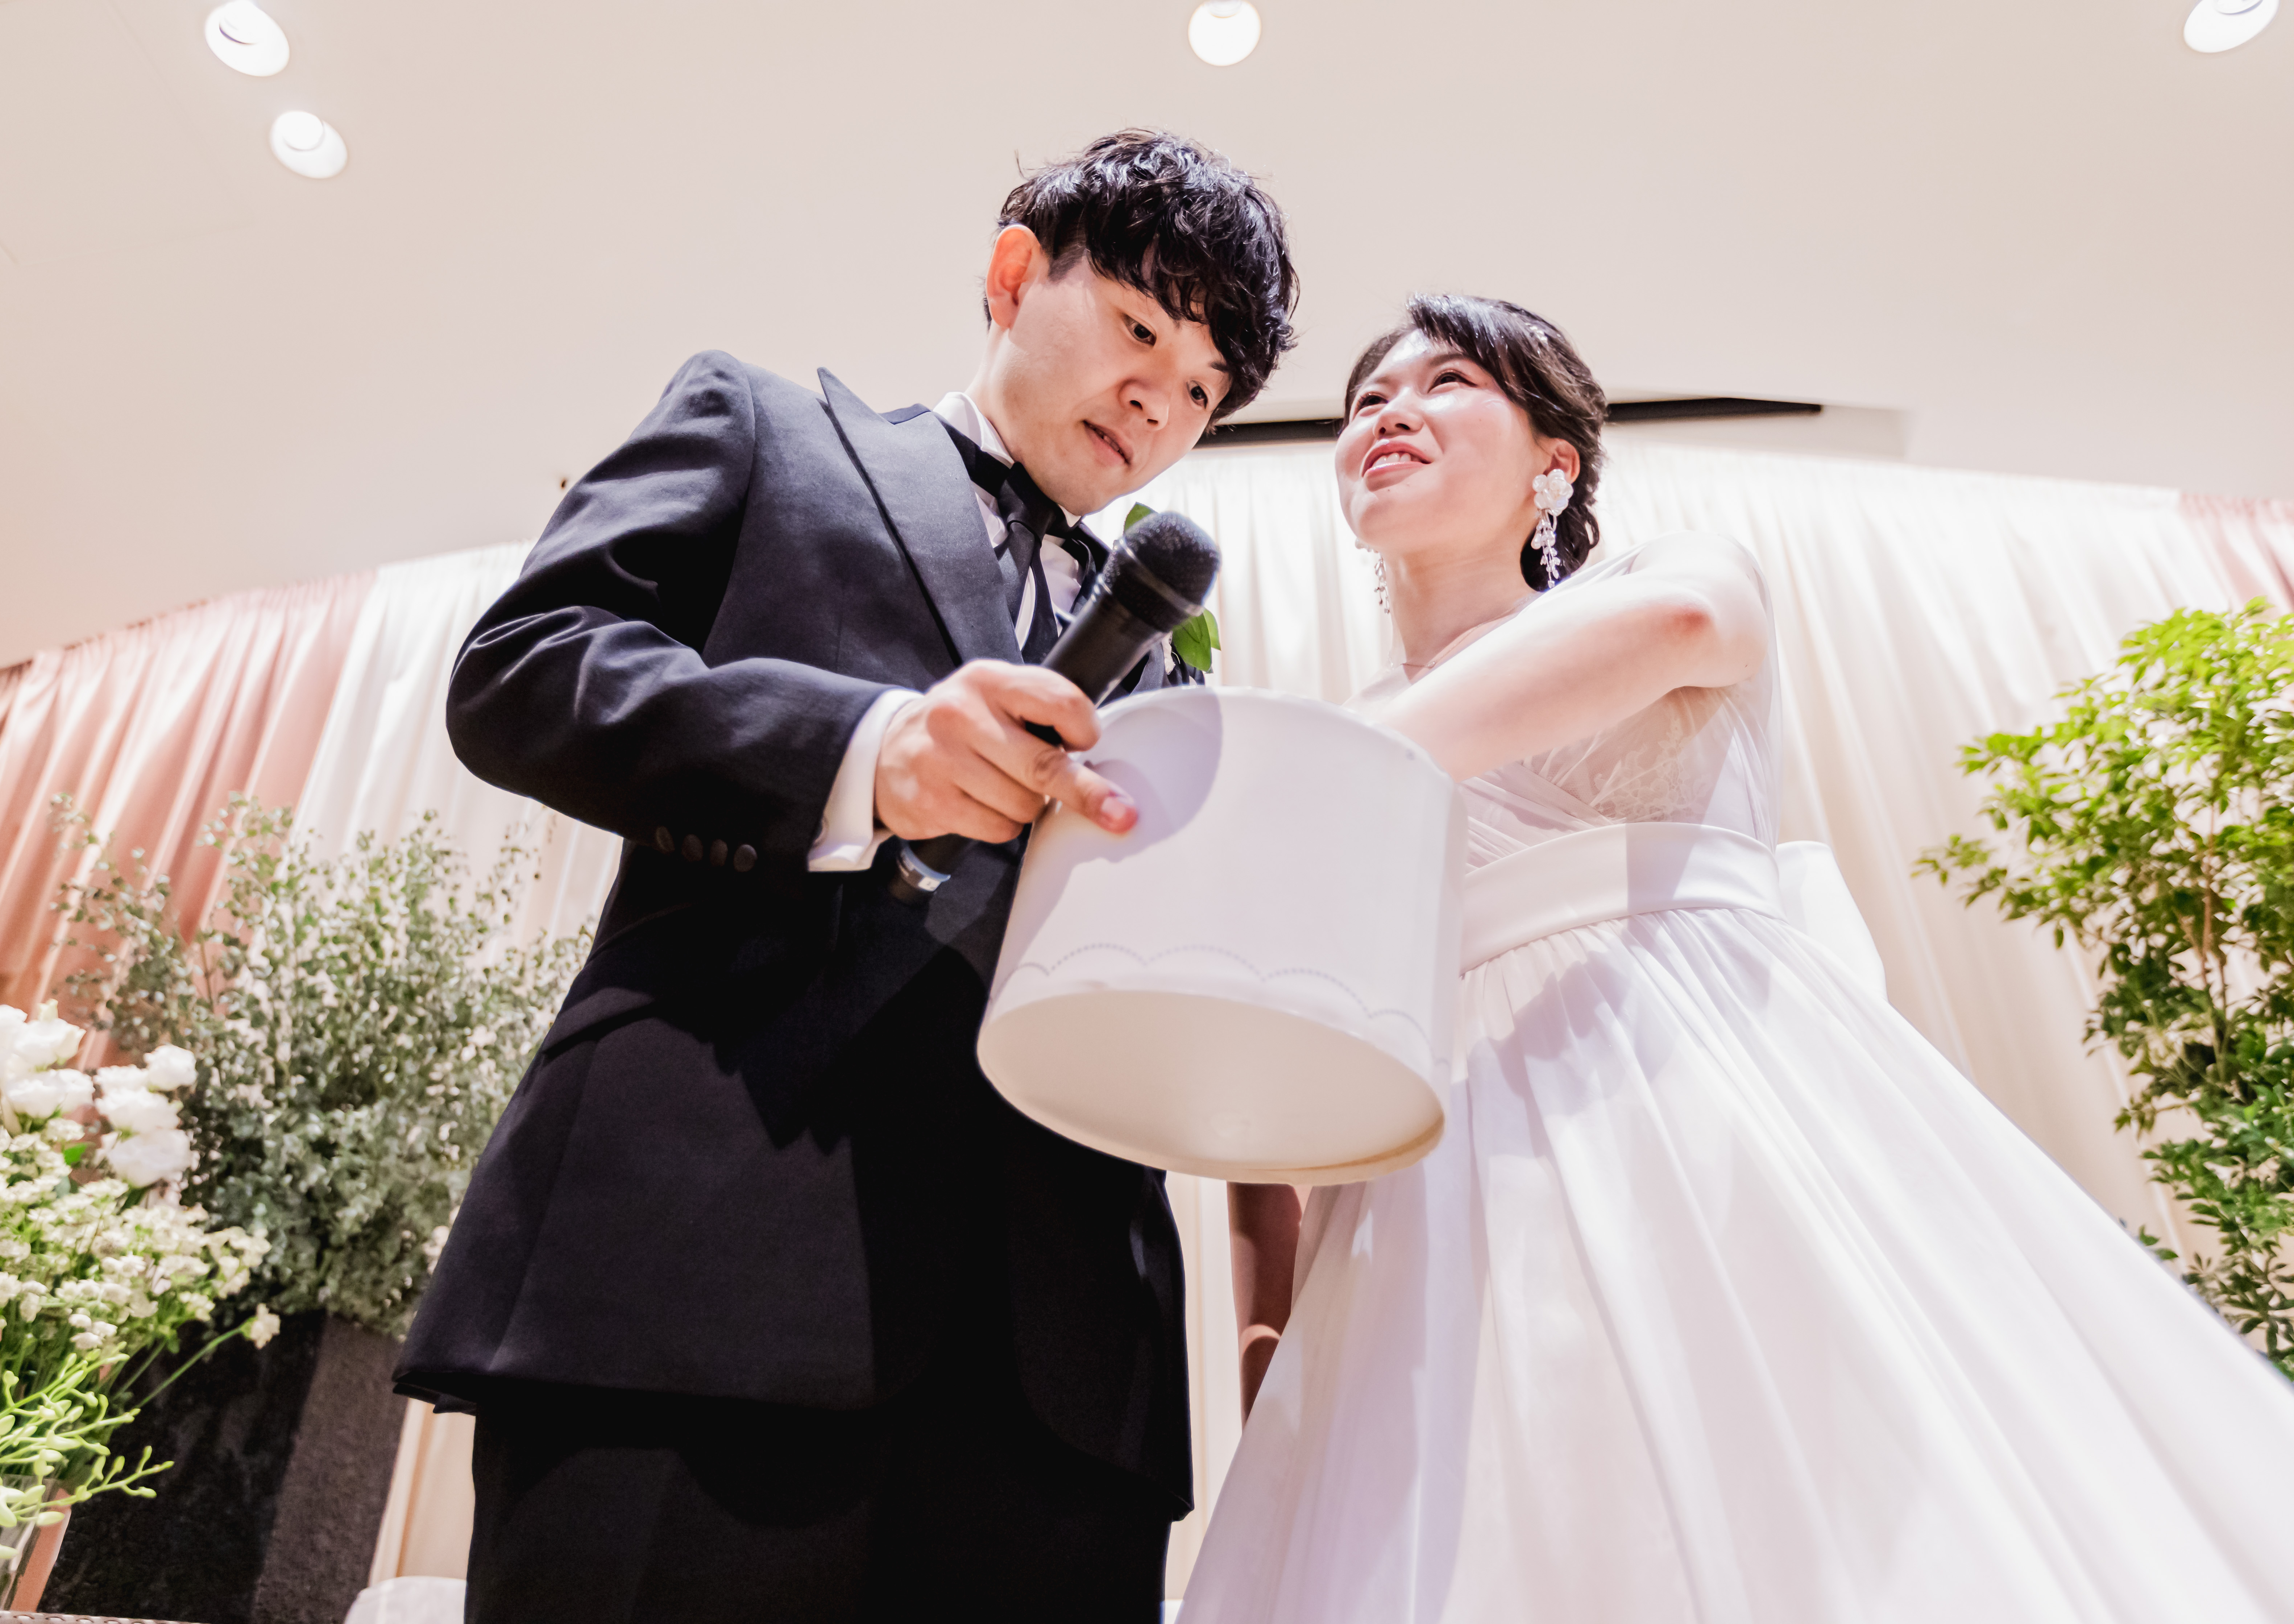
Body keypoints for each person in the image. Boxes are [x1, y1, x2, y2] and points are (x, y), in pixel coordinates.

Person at [1184, 294, 2294, 1622]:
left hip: (1686, 1103)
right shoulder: (1321, 750)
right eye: (1368, 398)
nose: (1391, 412)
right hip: (1422, 1204)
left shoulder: (1666, 576)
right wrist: (1268, 1348)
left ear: (1555, 463)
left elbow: (1683, 631)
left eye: (1451, 382)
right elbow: (1274, 1084)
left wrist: (1302, 794)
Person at [394, 130, 1296, 1623]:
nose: (1160, 402)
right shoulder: (765, 428)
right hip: (697, 1269)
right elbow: (522, 670)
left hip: (1061, 1384)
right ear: (1013, 274)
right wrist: (867, 752)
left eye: (1203, 389)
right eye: (1142, 328)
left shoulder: (1172, 663)